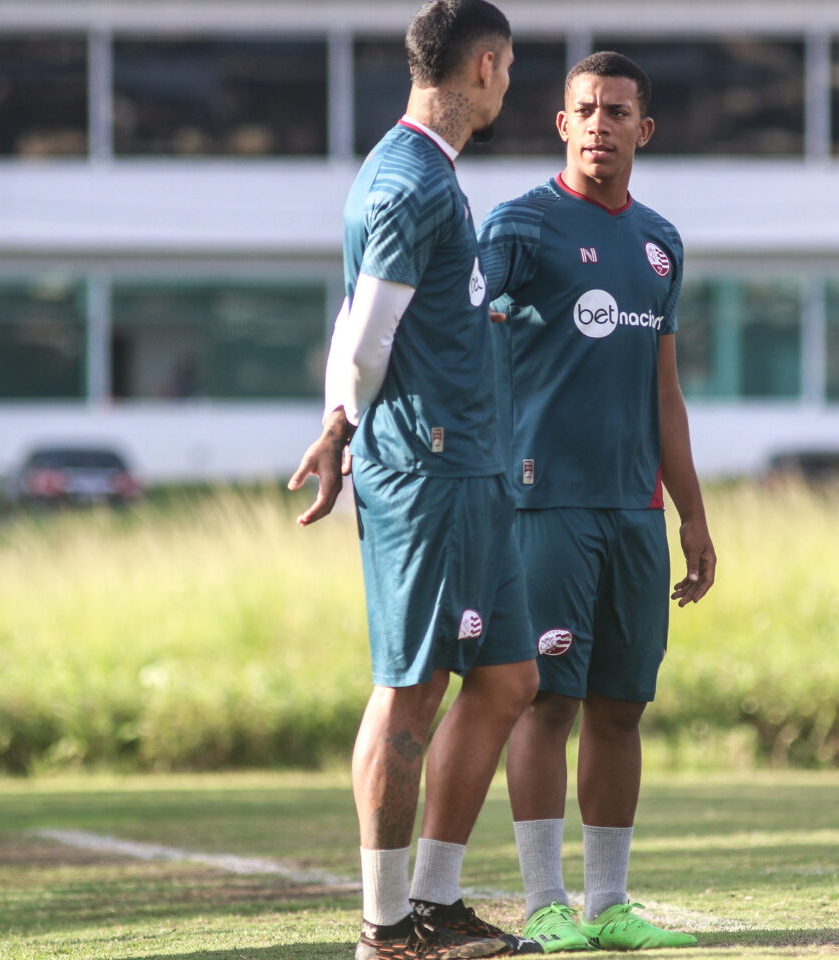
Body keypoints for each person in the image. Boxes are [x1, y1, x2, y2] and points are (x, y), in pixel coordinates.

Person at [287, 2, 541, 957]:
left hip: (472, 469)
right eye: (508, 67)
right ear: (481, 67)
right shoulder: (408, 183)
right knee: (410, 690)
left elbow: (370, 314)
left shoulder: (428, 174)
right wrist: (339, 429)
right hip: (426, 470)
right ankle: (384, 929)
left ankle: (432, 902)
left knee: (509, 677)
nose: (509, 83)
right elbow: (364, 339)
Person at [476, 51, 715, 953]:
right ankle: (543, 904)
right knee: (548, 702)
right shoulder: (521, 227)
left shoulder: (661, 242)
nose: (602, 125)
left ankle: (607, 905)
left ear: (643, 130)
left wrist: (692, 514)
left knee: (621, 705)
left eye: (619, 111)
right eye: (587, 110)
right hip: (542, 506)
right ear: (563, 123)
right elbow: (460, 327)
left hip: (635, 511)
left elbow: (666, 393)